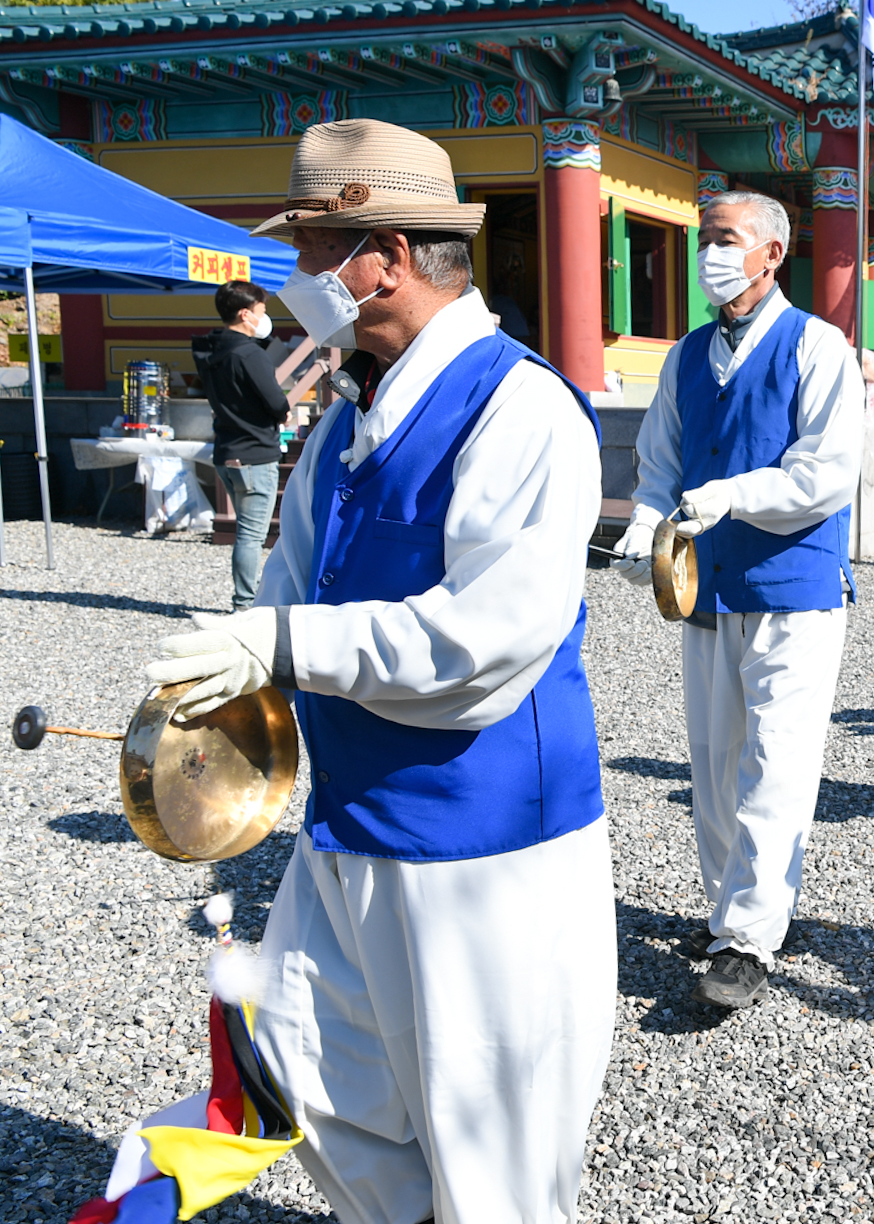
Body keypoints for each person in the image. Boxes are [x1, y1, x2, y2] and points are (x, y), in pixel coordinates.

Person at [143, 119, 614, 1224]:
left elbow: (490, 641)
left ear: (386, 260)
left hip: (483, 849)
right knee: (302, 1079)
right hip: (349, 825)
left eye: (314, 249)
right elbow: (288, 592)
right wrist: (222, 707)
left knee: (497, 1160)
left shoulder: (522, 407)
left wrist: (285, 645)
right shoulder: (358, 409)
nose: (298, 276)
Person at [617, 190, 863, 1009]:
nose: (708, 253)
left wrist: (733, 494)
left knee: (775, 762)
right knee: (715, 761)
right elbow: (660, 461)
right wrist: (645, 526)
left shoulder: (817, 346)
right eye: (703, 239)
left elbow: (826, 472)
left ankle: (750, 938)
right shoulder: (687, 355)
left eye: (725, 239)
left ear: (771, 254)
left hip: (792, 587)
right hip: (706, 587)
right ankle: (732, 909)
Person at [200, 279, 290, 611]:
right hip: (254, 452)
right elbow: (274, 400)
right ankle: (245, 604)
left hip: (226, 448)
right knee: (252, 536)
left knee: (245, 531)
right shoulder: (249, 353)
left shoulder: (210, 350)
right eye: (261, 311)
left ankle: (245, 600)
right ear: (245, 314)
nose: (264, 318)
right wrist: (283, 412)